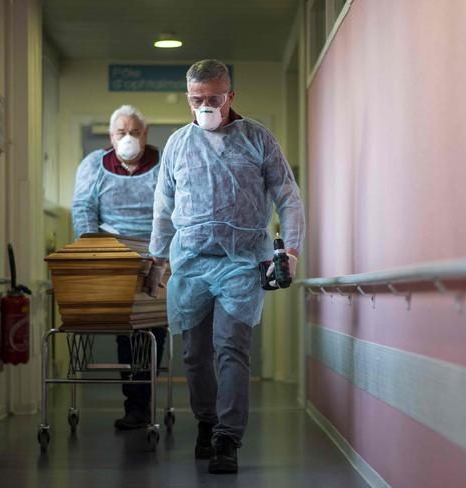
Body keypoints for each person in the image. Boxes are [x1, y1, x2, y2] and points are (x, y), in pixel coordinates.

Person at [148, 59, 305, 473]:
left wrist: (290, 251)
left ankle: (227, 438)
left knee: (231, 347)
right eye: (197, 100)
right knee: (194, 354)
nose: (205, 107)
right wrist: (157, 257)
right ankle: (207, 420)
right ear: (188, 98)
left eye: (213, 99)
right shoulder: (178, 145)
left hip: (240, 262)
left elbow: (288, 196)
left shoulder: (258, 139)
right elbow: (163, 208)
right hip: (191, 264)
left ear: (230, 96)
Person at [72, 104, 167, 430]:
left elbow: (176, 210)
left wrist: (163, 255)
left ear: (146, 133)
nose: (128, 138)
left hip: (157, 257)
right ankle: (136, 406)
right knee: (126, 333)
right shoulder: (94, 166)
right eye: (121, 133)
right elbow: (84, 208)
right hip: (113, 259)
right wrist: (89, 253)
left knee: (154, 329)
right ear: (111, 136)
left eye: (135, 132)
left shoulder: (163, 164)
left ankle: (145, 401)